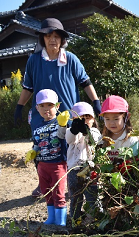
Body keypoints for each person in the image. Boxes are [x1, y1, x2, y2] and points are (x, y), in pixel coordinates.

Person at [13, 18, 101, 197]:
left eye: (56, 36)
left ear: (62, 40)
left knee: (67, 149)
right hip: (41, 114)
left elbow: (85, 82)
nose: (52, 39)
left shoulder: (71, 59)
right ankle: (43, 184)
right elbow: (28, 87)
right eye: (48, 35)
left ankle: (68, 184)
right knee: (41, 148)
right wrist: (19, 107)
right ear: (42, 38)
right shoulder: (34, 61)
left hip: (67, 114)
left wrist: (96, 102)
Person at [25, 89, 68, 226]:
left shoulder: (60, 123)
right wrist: (33, 152)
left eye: (49, 105)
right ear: (37, 108)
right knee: (47, 191)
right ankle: (51, 217)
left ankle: (61, 220)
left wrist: (63, 125)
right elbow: (36, 143)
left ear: (57, 106)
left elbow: (63, 136)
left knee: (59, 192)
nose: (46, 109)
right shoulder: (37, 127)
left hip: (58, 164)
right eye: (42, 106)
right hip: (42, 165)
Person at [61, 102, 102, 221]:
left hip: (90, 170)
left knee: (92, 196)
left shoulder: (95, 131)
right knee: (75, 197)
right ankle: (75, 219)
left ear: (93, 119)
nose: (84, 120)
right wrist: (75, 129)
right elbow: (69, 139)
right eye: (80, 118)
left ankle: (94, 219)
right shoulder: (71, 131)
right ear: (74, 119)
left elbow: (94, 141)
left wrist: (86, 131)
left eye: (87, 117)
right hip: (74, 170)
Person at [100, 95, 139, 162]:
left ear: (127, 117)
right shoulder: (102, 139)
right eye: (107, 119)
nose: (112, 123)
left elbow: (135, 162)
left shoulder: (132, 140)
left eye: (116, 119)